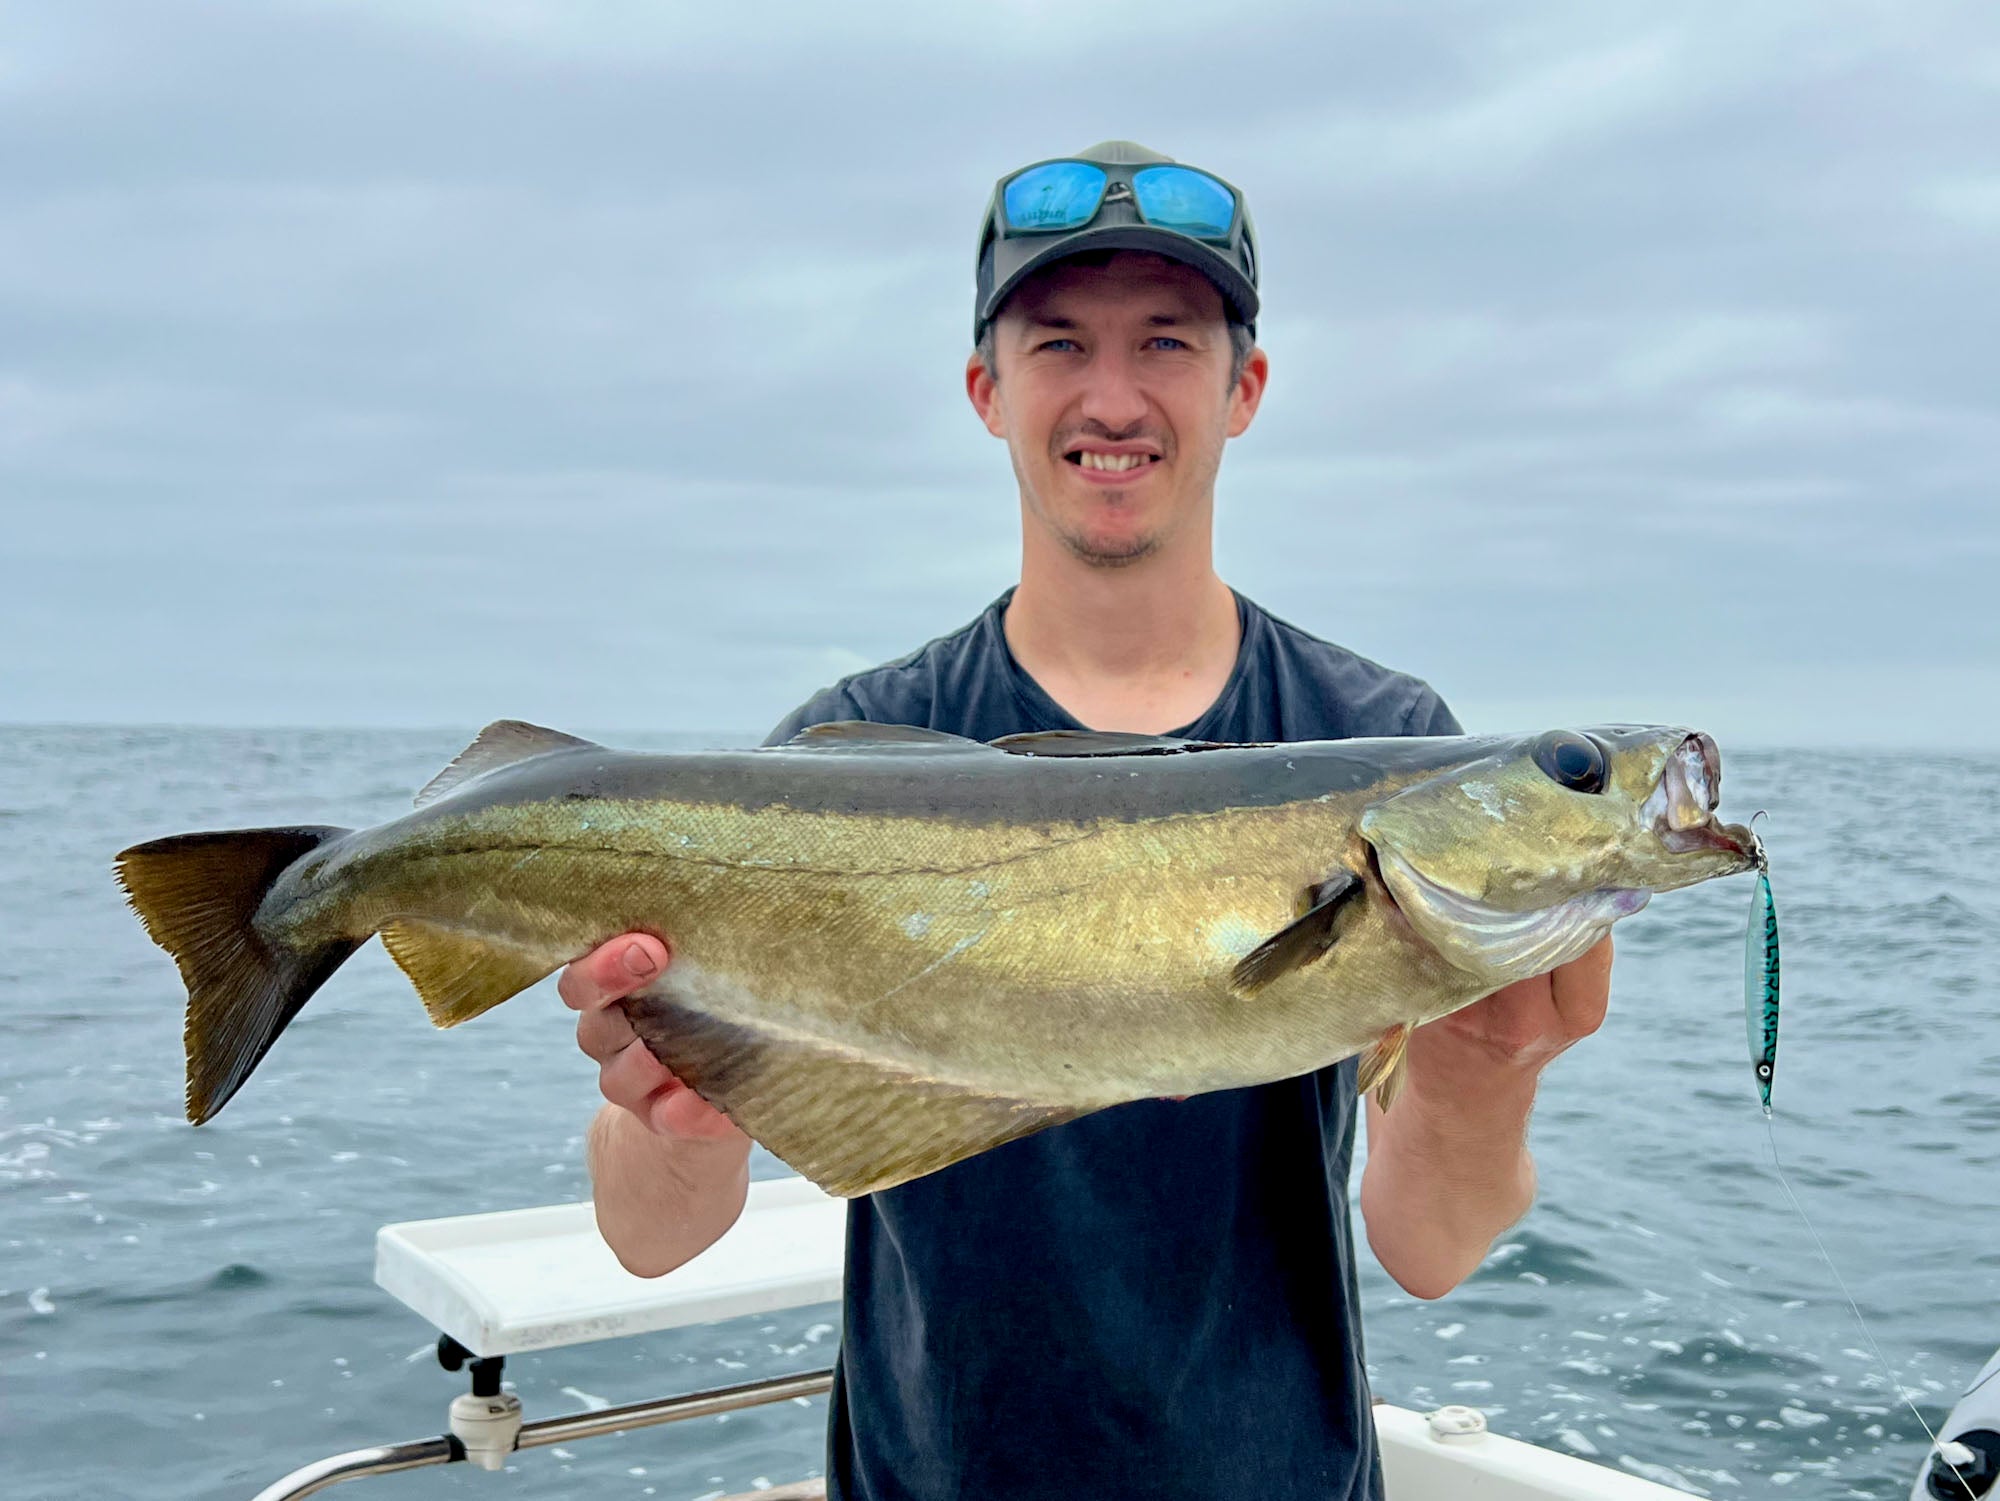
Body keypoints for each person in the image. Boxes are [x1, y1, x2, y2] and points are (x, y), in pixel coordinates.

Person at [559, 141, 1613, 1501]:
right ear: (987, 391)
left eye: (1167, 341)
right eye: (1060, 343)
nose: (1113, 398)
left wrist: (1491, 1060)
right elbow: (651, 1237)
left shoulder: (1386, 741)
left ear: (1245, 388)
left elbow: (1429, 1247)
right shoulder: (854, 750)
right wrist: (673, 1117)